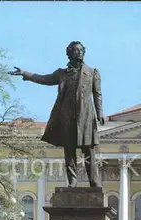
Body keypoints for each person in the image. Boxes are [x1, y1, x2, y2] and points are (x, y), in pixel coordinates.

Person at [10, 41, 105, 188]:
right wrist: (25, 74)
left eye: (81, 50)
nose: (79, 52)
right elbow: (44, 79)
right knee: (69, 150)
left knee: (88, 151)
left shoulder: (92, 72)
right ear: (69, 53)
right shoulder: (62, 73)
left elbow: (97, 94)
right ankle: (72, 181)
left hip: (85, 117)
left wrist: (100, 113)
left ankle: (94, 182)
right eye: (76, 50)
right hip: (66, 116)